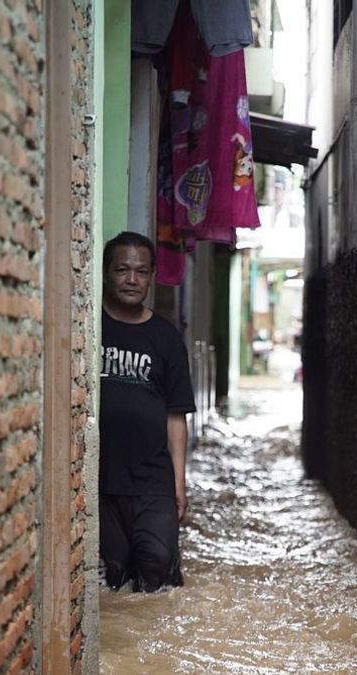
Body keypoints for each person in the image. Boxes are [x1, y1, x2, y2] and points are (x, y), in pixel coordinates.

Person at [98, 231, 196, 591]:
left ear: (152, 276)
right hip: (103, 478)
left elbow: (176, 415)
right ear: (107, 273)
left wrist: (178, 483)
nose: (131, 280)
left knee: (156, 564)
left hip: (152, 478)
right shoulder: (92, 327)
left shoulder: (166, 338)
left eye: (141, 272)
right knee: (117, 574)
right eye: (122, 270)